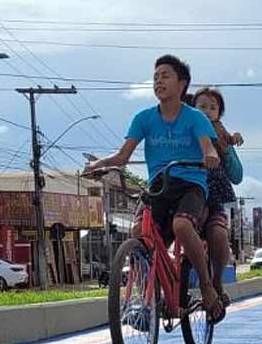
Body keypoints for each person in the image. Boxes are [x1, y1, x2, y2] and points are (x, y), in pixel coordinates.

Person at [84, 54, 224, 321]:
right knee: (138, 233)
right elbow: (122, 156)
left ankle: (207, 287)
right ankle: (147, 302)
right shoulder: (144, 118)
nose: (159, 81)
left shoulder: (195, 118)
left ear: (182, 84)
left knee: (182, 226)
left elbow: (208, 146)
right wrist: (98, 165)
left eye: (166, 76)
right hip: (158, 185)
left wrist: (211, 156)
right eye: (156, 77)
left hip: (190, 183)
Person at [191, 86, 243, 309]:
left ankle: (215, 284)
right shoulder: (185, 125)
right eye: (202, 106)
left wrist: (232, 144)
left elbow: (236, 173)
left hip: (213, 188)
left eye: (212, 108)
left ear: (219, 113)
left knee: (218, 233)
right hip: (186, 184)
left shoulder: (220, 130)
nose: (207, 111)